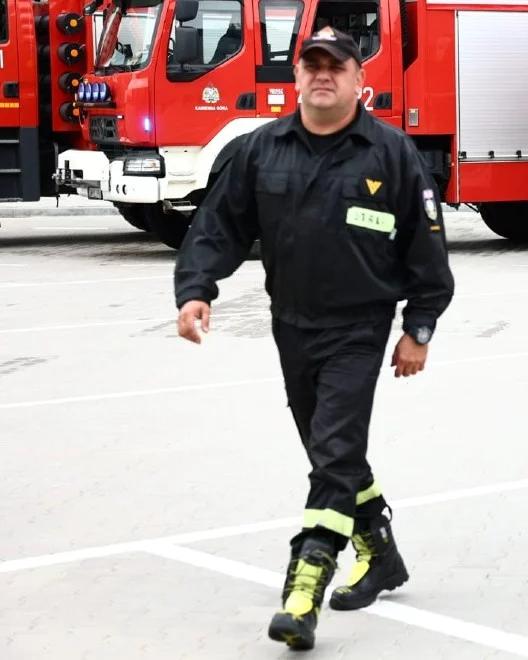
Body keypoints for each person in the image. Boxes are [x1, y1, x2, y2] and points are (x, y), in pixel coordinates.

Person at [174, 26, 454, 649]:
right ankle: (379, 550)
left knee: (331, 450)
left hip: (361, 327)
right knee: (331, 452)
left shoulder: (392, 154)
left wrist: (419, 327)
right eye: (311, 65)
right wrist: (196, 289)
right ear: (295, 77)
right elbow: (217, 226)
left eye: (336, 65)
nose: (322, 74)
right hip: (291, 325)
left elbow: (427, 251)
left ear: (360, 79)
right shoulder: (259, 150)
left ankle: (304, 584)